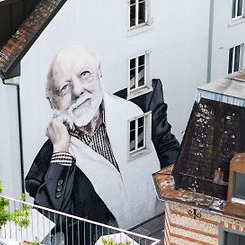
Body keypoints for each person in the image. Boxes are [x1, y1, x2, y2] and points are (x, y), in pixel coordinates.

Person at [25, 45, 163, 233]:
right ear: (52, 103)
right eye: (64, 88)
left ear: (99, 74)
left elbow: (173, 164)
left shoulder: (137, 111)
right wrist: (60, 151)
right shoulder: (50, 157)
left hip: (159, 241)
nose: (78, 91)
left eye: (84, 74)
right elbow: (43, 224)